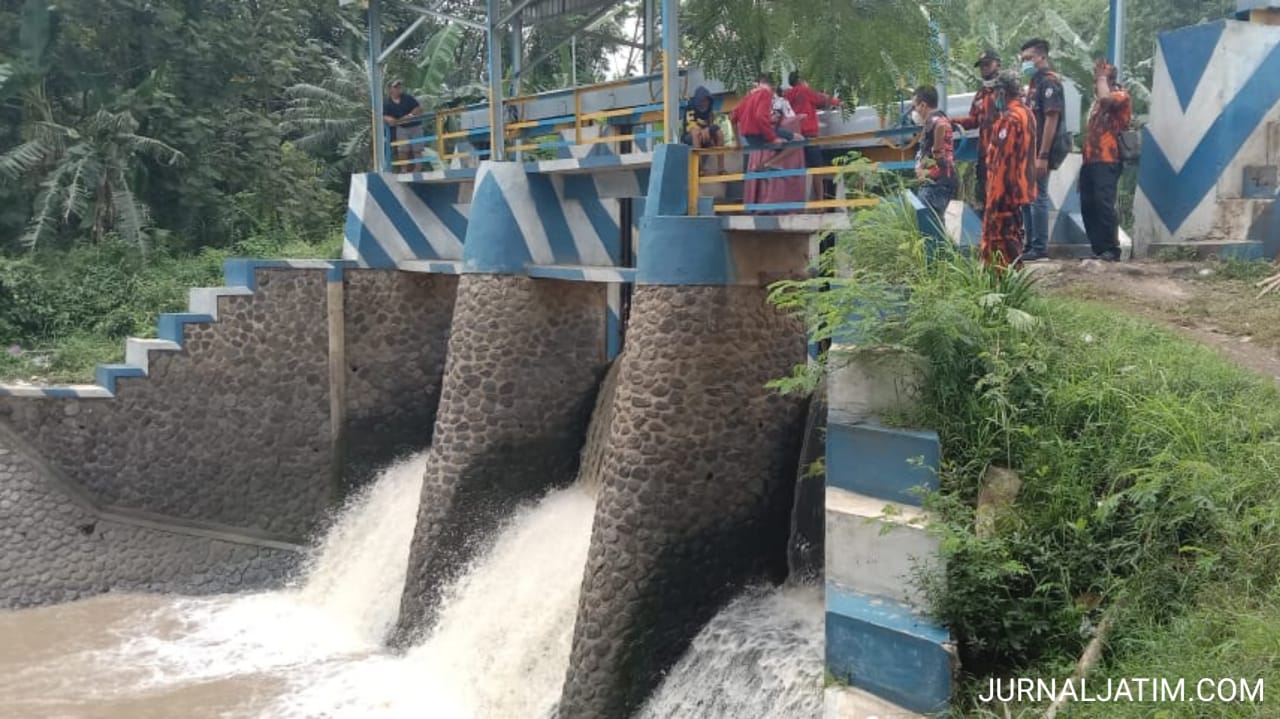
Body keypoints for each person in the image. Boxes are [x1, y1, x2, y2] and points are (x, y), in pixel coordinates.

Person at [981, 71, 1038, 269]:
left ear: (1003, 93)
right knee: (1012, 235)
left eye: (995, 93)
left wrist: (993, 200)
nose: (993, 98)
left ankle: (1003, 284)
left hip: (1004, 192)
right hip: (1020, 188)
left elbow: (1001, 163)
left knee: (999, 240)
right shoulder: (1027, 113)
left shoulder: (1009, 120)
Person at [1080, 59, 1131, 262]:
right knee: (1088, 205)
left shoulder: (1120, 96)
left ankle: (1112, 248)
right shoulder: (1095, 106)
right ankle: (1098, 248)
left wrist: (1102, 78)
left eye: (1099, 79)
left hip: (1108, 159)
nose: (1095, 83)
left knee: (1104, 204)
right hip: (1090, 160)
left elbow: (1105, 101)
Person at [1019, 38, 1065, 261]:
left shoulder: (1049, 82)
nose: (1025, 63)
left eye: (1029, 58)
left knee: (1037, 197)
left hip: (1040, 152)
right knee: (1027, 198)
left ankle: (1039, 247)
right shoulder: (1034, 84)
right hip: (1029, 152)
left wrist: (1043, 155)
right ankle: (1029, 245)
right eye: (1023, 60)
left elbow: (1051, 118)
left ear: (1042, 57)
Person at [955, 50, 1001, 215]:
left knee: (1004, 197)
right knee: (985, 194)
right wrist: (953, 121)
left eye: (987, 64)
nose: (984, 69)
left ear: (998, 64)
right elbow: (973, 120)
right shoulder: (981, 94)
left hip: (1004, 153)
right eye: (981, 66)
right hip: (984, 154)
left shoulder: (1007, 90)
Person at [785, 71, 839, 199]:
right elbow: (823, 99)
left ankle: (798, 201)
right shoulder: (804, 91)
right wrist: (839, 102)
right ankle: (819, 202)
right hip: (808, 134)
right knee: (817, 168)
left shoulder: (787, 95)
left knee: (799, 168)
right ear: (801, 80)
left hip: (793, 135)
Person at [911, 85, 958, 227]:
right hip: (936, 183)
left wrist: (927, 173)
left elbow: (942, 160)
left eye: (915, 107)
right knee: (935, 228)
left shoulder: (937, 123)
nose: (915, 111)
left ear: (923, 105)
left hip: (937, 185)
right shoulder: (935, 121)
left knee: (932, 231)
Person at [683, 86, 726, 174]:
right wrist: (702, 131)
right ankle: (700, 168)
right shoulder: (690, 107)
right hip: (690, 136)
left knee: (719, 132)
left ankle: (721, 168)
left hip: (705, 134)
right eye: (703, 100)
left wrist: (709, 132)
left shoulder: (709, 109)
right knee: (696, 133)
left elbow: (711, 124)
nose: (705, 103)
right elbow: (690, 126)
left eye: (707, 100)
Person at [383, 80, 423, 172]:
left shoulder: (407, 98)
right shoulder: (387, 103)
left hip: (414, 126)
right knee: (402, 149)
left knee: (417, 148)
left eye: (399, 87)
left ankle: (418, 168)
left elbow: (418, 108)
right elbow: (383, 115)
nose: (398, 89)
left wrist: (409, 116)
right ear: (390, 89)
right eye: (395, 87)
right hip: (401, 128)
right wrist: (388, 119)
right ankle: (403, 169)